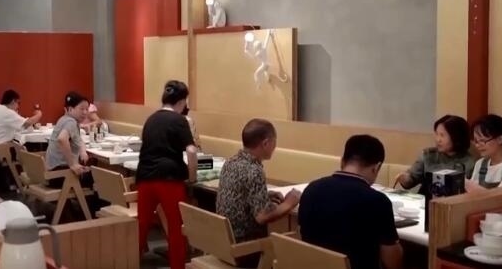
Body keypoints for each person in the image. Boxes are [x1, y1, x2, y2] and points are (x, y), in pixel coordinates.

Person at [298, 135, 402, 269]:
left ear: (342, 161)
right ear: (376, 167)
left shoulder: (311, 189)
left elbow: (301, 234)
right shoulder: (377, 201)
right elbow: (392, 262)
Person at [216, 119, 301, 268]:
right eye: (274, 142)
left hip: (224, 244)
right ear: (266, 143)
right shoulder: (254, 171)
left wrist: (265, 195)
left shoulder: (230, 162)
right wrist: (290, 203)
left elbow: (241, 195)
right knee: (292, 246)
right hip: (245, 249)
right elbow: (262, 217)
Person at [136, 80, 198, 269]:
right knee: (175, 226)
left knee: (142, 225)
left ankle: (130, 261)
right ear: (182, 101)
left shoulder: (151, 119)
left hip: (145, 176)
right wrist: (192, 177)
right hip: (169, 179)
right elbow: (192, 151)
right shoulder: (179, 120)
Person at [394, 115, 476, 194]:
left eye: (442, 135)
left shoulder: (470, 162)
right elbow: (411, 180)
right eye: (436, 134)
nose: (438, 139)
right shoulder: (428, 155)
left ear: (456, 137)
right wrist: (404, 178)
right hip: (427, 200)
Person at [44, 92, 92, 188]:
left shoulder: (64, 119)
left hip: (51, 173)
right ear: (70, 109)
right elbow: (62, 139)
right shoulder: (71, 122)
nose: (85, 112)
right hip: (61, 176)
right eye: (81, 109)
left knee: (91, 172)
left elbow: (79, 139)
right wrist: (73, 164)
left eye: (87, 109)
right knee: (98, 177)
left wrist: (83, 151)